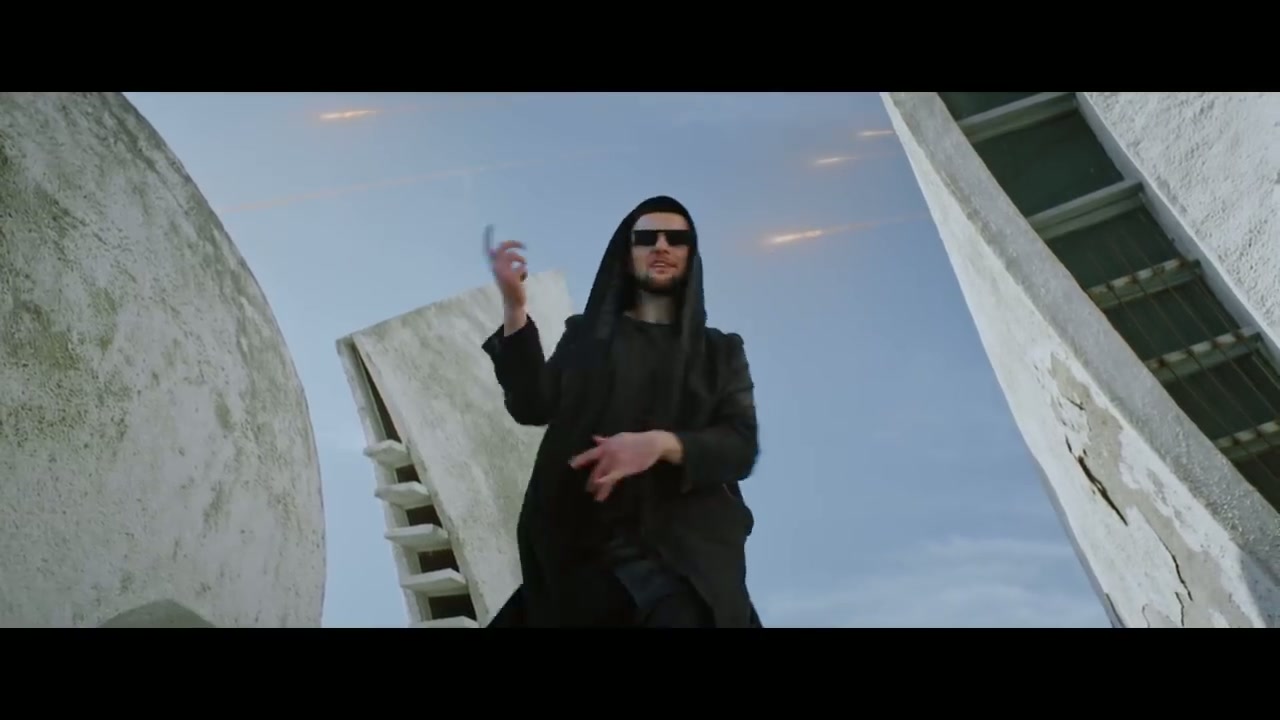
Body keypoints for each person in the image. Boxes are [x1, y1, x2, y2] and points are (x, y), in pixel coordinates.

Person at [480, 195, 763, 628]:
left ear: (691, 255)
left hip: (679, 556)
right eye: (646, 238)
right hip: (581, 549)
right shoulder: (586, 337)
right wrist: (515, 307)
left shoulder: (720, 353)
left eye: (676, 239)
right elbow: (533, 404)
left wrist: (660, 445)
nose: (661, 246)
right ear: (626, 253)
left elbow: (740, 446)